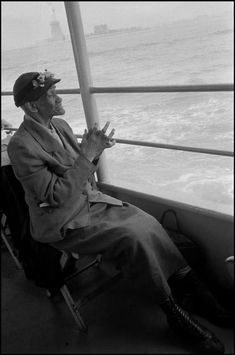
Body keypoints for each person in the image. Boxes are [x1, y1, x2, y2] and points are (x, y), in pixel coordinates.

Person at [7, 70, 232, 354]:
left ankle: (193, 289)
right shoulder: (21, 146)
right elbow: (54, 196)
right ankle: (173, 312)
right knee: (132, 237)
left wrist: (96, 150)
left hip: (88, 202)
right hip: (62, 220)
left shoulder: (60, 125)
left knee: (147, 221)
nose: (59, 98)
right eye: (51, 95)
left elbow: (83, 172)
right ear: (31, 106)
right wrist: (88, 155)